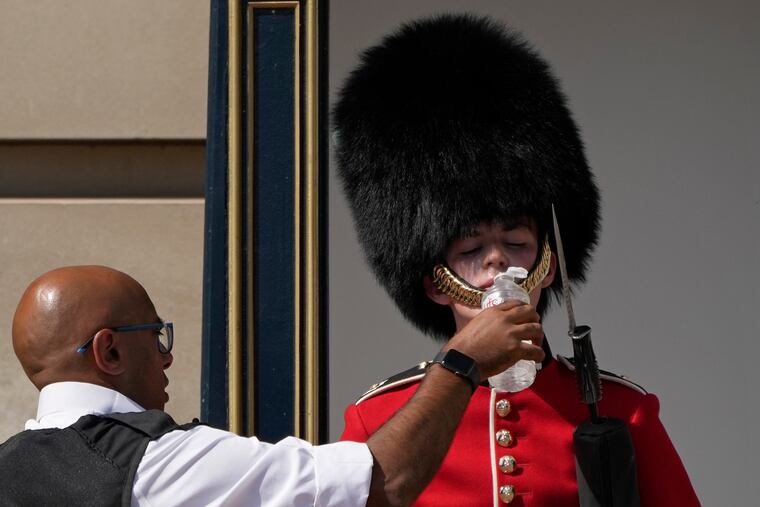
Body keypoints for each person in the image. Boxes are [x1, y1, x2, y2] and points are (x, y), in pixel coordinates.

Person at [333, 14, 700, 506]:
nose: (498, 264)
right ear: (435, 283)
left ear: (547, 265)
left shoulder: (624, 409)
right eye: (468, 250)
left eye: (517, 242)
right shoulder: (378, 418)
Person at [0, 265, 545, 506]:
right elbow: (380, 483)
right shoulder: (160, 465)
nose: (167, 361)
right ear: (109, 351)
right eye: (156, 338)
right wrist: (460, 363)